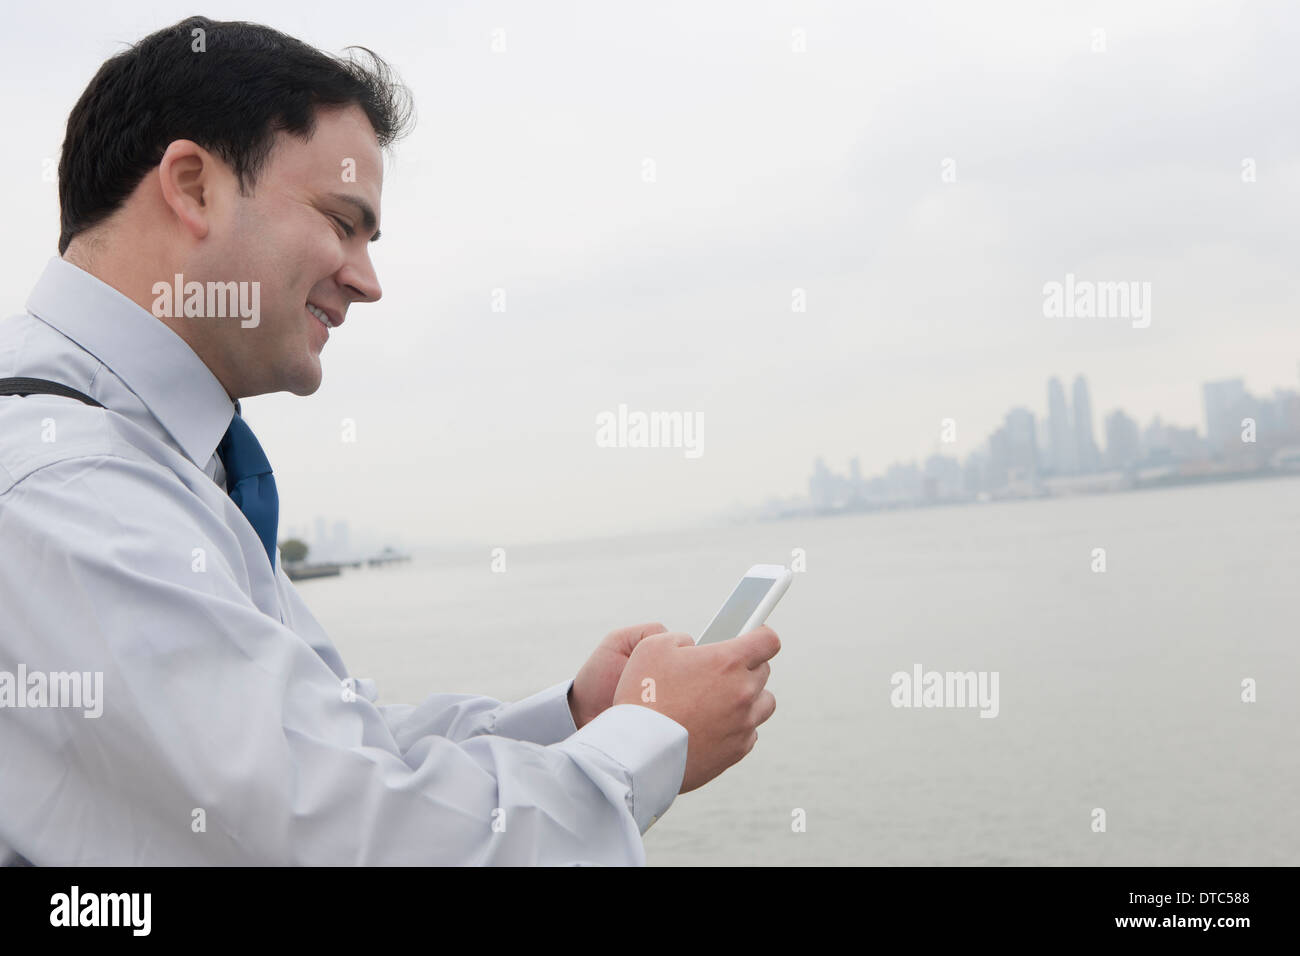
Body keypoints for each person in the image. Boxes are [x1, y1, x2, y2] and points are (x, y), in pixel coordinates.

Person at [0, 15, 779, 865]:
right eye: (342, 222)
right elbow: (354, 837)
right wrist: (647, 744)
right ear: (192, 186)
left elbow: (338, 737)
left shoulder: (141, 459)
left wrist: (575, 719)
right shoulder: (72, 487)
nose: (366, 282)